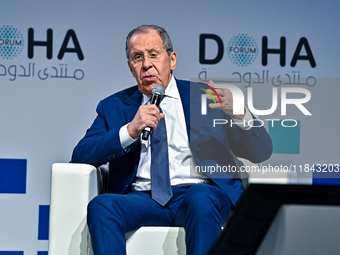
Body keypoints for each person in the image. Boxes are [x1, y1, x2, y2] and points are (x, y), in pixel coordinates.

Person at [71, 24, 272, 255]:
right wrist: (130, 131)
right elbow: (81, 154)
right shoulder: (114, 106)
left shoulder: (206, 97)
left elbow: (261, 152)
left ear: (172, 59)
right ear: (130, 67)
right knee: (102, 205)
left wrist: (241, 114)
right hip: (143, 198)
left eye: (154, 55)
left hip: (199, 193)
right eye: (137, 57)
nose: (146, 64)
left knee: (201, 197)